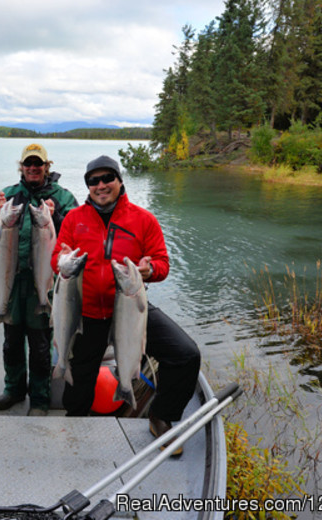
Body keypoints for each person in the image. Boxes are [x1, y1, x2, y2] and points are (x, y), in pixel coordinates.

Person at [51, 155, 201, 455]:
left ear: (120, 181)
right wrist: (61, 260)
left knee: (185, 355)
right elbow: (57, 258)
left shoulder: (143, 219)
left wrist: (150, 270)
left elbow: (162, 263)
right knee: (78, 385)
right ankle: (75, 428)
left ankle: (161, 417)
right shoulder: (73, 219)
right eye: (93, 181)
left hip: (131, 311)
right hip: (86, 313)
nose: (101, 185)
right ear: (88, 186)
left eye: (108, 178)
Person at [0, 143, 78, 416]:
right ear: (22, 167)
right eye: (28, 163)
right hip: (12, 283)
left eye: (38, 163)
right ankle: (13, 390)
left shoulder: (62, 196)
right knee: (11, 341)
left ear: (46, 166)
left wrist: (57, 217)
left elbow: (76, 234)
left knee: (40, 345)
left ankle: (39, 398)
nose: (33, 168)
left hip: (44, 281)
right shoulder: (9, 196)